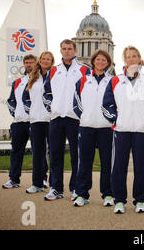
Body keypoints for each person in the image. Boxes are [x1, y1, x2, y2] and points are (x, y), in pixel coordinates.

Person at [102, 46, 144, 214]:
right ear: (125, 60)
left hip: (141, 130)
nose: (132, 59)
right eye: (128, 56)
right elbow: (106, 104)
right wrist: (115, 119)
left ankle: (140, 200)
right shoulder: (115, 81)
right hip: (121, 130)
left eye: (135, 56)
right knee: (119, 167)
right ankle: (119, 200)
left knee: (141, 168)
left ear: (139, 58)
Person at [43, 39, 91, 201]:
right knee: (55, 154)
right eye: (64, 49)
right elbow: (46, 93)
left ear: (75, 51)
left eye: (70, 48)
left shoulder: (84, 70)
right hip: (56, 117)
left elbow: (89, 94)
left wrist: (82, 112)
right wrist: (52, 108)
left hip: (75, 118)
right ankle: (56, 188)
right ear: (61, 51)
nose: (67, 51)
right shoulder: (53, 71)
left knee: (77, 155)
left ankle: (76, 188)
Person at [72, 49, 115, 208]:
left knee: (107, 163)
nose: (101, 62)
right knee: (84, 163)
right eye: (98, 59)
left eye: (104, 60)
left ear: (108, 63)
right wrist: (84, 116)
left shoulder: (113, 81)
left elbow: (116, 104)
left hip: (106, 128)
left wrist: (112, 119)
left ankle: (108, 194)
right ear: (93, 61)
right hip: (87, 127)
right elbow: (76, 103)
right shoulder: (82, 80)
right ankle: (82, 194)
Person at [2, 54, 37, 189]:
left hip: (35, 122)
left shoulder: (41, 80)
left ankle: (42, 179)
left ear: (36, 63)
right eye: (27, 62)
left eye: (32, 62)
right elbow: (11, 100)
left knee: (39, 152)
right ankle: (13, 179)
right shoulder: (17, 82)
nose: (29, 65)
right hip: (19, 122)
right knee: (16, 151)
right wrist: (15, 113)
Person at [22, 51, 54, 194]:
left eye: (49, 59)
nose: (46, 61)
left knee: (54, 152)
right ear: (39, 61)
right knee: (37, 153)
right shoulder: (33, 78)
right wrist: (31, 111)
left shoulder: (55, 76)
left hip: (52, 119)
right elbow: (25, 98)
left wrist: (51, 110)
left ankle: (54, 184)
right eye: (43, 59)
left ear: (52, 61)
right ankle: (37, 183)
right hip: (36, 120)